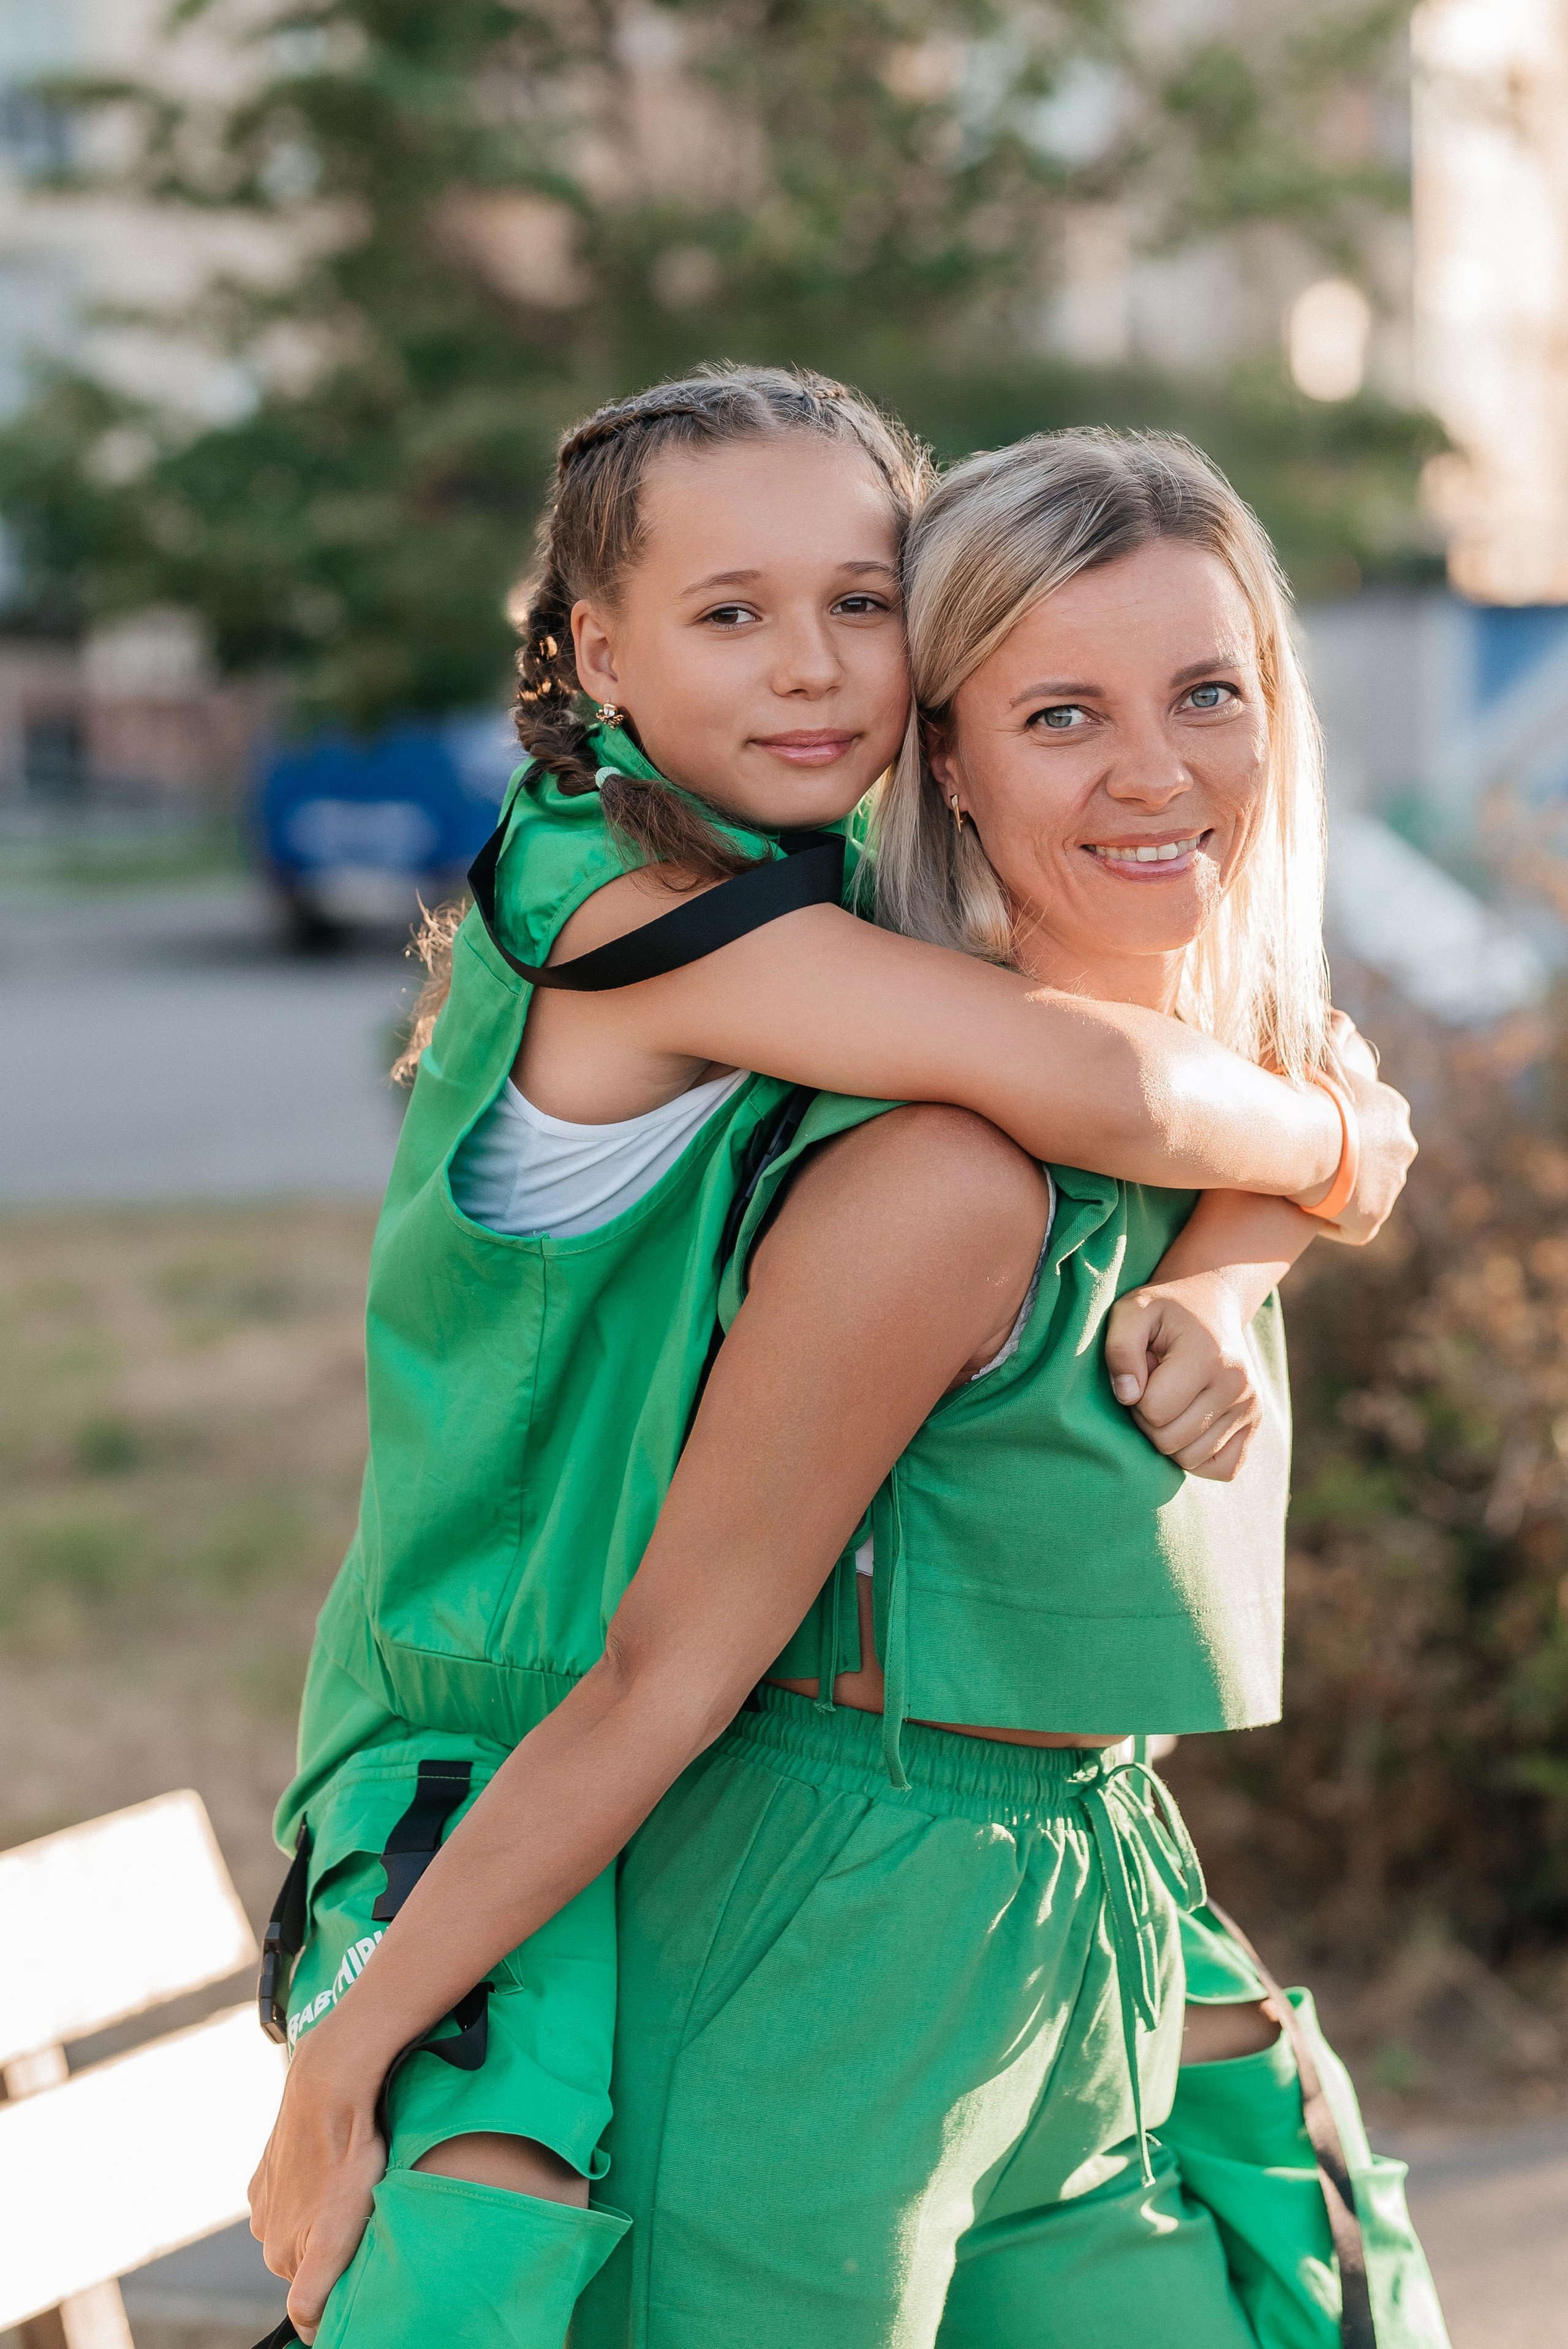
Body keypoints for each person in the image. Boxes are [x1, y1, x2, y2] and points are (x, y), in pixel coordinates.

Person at [250, 417, 1435, 2347]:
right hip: (608, 1783)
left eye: (1209, 691)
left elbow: (1268, 1105)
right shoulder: (687, 968)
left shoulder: (1195, 1074)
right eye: (1060, 715)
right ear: (942, 749)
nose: (1156, 769)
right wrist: (344, 2056)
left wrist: (1241, 1255)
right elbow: (669, 1670)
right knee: (473, 2242)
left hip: (1086, 1883)